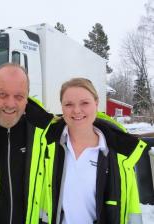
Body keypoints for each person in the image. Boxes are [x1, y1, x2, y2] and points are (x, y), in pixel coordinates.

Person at [42, 78, 146, 224]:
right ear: (62, 107)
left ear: (96, 104)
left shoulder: (119, 155)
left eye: (84, 103)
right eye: (68, 104)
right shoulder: (46, 147)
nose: (77, 110)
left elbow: (131, 208)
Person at [0, 63, 55, 223]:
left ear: (27, 97)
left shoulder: (47, 134)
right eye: (2, 94)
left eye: (19, 96)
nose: (10, 104)